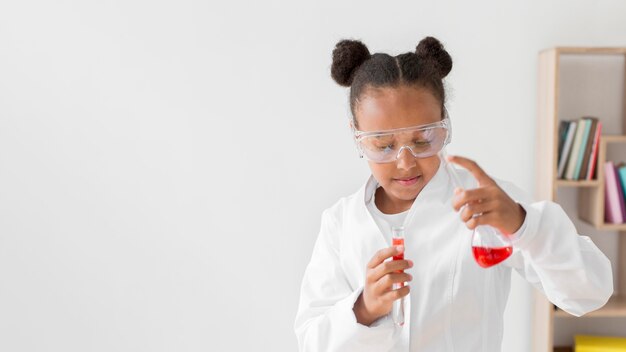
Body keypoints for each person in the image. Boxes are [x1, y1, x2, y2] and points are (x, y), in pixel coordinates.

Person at [293, 36, 613, 351]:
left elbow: (591, 292)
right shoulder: (340, 223)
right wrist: (363, 309)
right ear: (357, 136)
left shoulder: (486, 202)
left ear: (444, 125)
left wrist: (522, 225)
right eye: (383, 145)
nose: (405, 162)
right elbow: (312, 340)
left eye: (423, 141)